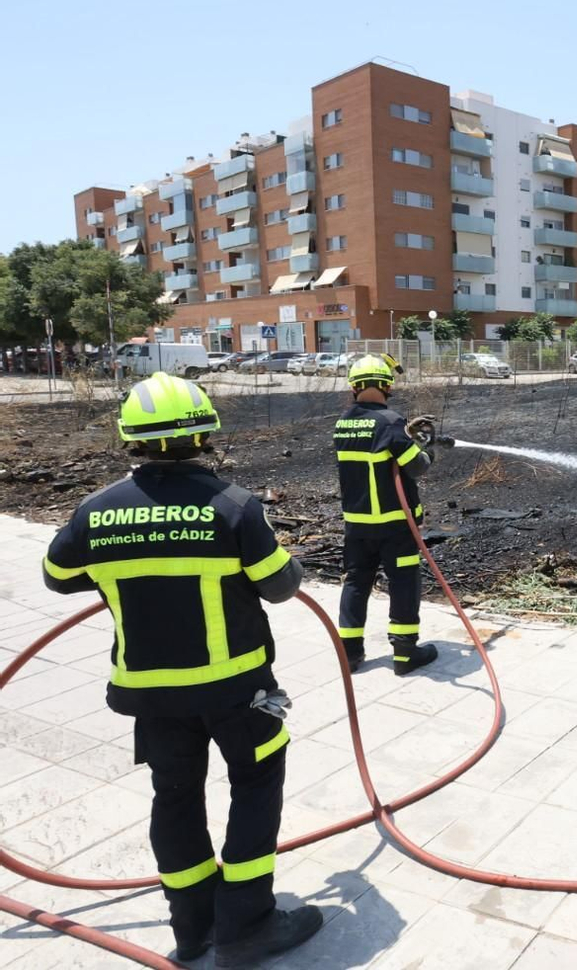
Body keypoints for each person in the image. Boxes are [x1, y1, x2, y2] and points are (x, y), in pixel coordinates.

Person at [41, 373, 322, 967]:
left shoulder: (96, 511)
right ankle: (247, 926)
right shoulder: (234, 506)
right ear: (204, 433)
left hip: (151, 692)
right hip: (236, 687)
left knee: (173, 797)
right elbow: (281, 587)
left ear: (130, 440)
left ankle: (192, 928)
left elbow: (57, 576)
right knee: (254, 787)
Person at [333, 354, 439, 674]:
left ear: (354, 386)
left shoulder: (343, 423)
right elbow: (417, 466)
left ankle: (349, 653)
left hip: (357, 524)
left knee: (356, 582)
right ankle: (405, 653)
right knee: (403, 581)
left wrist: (405, 437)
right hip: (395, 524)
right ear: (386, 384)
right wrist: (426, 444)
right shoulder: (390, 422)